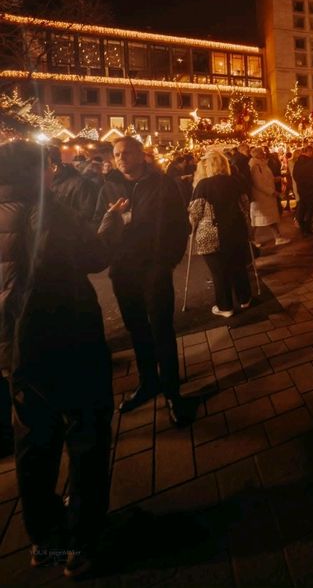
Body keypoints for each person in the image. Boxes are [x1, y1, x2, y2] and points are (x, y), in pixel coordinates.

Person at [0, 140, 128, 577]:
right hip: (66, 337)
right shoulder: (48, 211)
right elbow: (92, 257)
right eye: (49, 166)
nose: (55, 172)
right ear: (38, 172)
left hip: (15, 348)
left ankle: (44, 539)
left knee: (34, 445)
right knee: (86, 435)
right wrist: (111, 225)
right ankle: (82, 541)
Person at [94, 136, 191, 427]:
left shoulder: (162, 185)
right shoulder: (108, 186)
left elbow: (180, 226)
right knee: (137, 329)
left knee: (162, 329)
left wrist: (166, 262)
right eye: (117, 153)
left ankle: (173, 391)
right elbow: (96, 223)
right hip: (123, 271)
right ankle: (149, 382)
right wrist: (114, 224)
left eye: (126, 152)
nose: (121, 158)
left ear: (140, 155)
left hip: (154, 269)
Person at [188, 149, 253, 318]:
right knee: (239, 267)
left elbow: (195, 214)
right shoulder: (236, 181)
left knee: (219, 272)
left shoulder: (203, 185)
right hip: (236, 231)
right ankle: (245, 298)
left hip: (212, 235)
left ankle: (225, 307)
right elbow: (245, 206)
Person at [249, 148, 290, 245]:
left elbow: (266, 179)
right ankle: (252, 240)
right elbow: (259, 183)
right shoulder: (255, 166)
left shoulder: (261, 165)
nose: (264, 154)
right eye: (262, 153)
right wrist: (274, 192)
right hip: (262, 198)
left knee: (267, 220)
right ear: (258, 155)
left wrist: (276, 179)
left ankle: (277, 237)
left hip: (266, 198)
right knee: (258, 221)